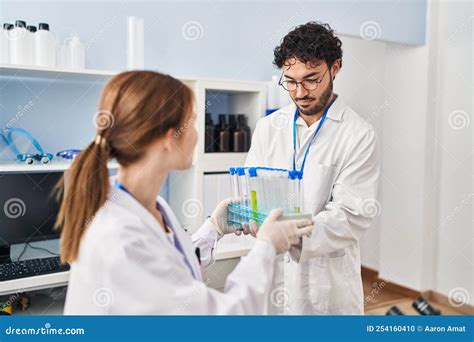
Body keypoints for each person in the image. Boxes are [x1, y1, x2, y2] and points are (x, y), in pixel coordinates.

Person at [56, 71, 313, 315]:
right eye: (191, 122)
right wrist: (267, 247)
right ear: (170, 138)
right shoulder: (119, 237)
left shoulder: (152, 206)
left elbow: (171, 270)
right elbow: (221, 318)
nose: (197, 134)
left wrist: (213, 228)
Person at [243, 22, 380, 314]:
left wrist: (290, 235)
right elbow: (251, 188)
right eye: (290, 81)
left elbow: (352, 215)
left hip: (327, 287)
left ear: (335, 68)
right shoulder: (269, 127)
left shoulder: (358, 134)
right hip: (273, 274)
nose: (300, 91)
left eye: (311, 79)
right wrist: (247, 213)